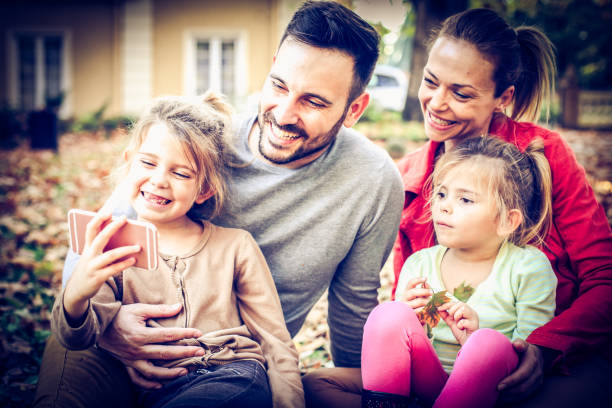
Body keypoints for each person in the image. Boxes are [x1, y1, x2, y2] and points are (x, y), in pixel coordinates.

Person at [33, 2, 404, 407]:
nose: (283, 114)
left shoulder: (372, 181)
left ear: (354, 109)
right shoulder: (204, 139)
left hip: (224, 361)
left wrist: (361, 392)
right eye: (279, 86)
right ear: (273, 64)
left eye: (313, 102)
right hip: (112, 338)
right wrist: (110, 328)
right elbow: (96, 244)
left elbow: (353, 307)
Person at [302, 7, 612, 408]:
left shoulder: (543, 156)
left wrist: (544, 349)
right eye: (431, 81)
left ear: (504, 98)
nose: (437, 103)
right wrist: (415, 312)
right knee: (313, 387)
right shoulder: (411, 178)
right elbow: (411, 310)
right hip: (440, 368)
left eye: (462, 93)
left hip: (540, 367)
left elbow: (604, 279)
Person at [50, 92, 304, 408]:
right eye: (148, 163)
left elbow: (275, 341)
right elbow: (75, 338)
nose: (159, 181)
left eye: (181, 173)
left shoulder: (236, 246)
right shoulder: (109, 244)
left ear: (204, 190)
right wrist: (77, 294)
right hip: (150, 390)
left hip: (229, 375)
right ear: (130, 163)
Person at [361, 136, 557, 407]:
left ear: (506, 221)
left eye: (465, 199)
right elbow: (406, 340)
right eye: (441, 194)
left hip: (492, 389)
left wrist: (472, 339)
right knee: (388, 314)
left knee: (487, 343)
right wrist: (412, 319)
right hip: (428, 381)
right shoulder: (420, 264)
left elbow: (530, 350)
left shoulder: (527, 268)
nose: (444, 205)